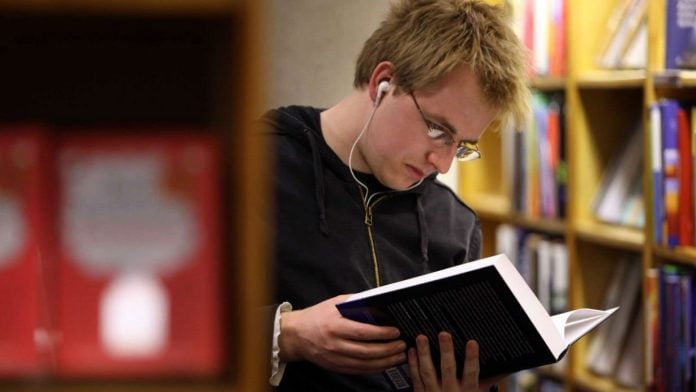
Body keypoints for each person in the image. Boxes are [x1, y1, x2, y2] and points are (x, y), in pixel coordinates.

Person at [260, 0, 530, 390]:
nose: (443, 164)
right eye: (438, 129)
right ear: (383, 83)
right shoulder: (257, 167)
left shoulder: (453, 224)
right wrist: (286, 334)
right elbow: (172, 328)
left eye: (462, 145)